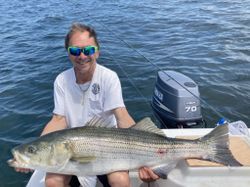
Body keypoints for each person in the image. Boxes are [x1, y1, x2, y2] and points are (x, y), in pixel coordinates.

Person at [16, 23, 159, 187]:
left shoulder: (109, 77)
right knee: (53, 182)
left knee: (119, 180)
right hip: (73, 150)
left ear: (97, 51)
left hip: (110, 147)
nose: (82, 56)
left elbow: (121, 115)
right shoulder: (61, 81)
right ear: (68, 53)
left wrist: (144, 154)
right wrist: (35, 150)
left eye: (88, 50)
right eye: (75, 51)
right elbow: (58, 119)